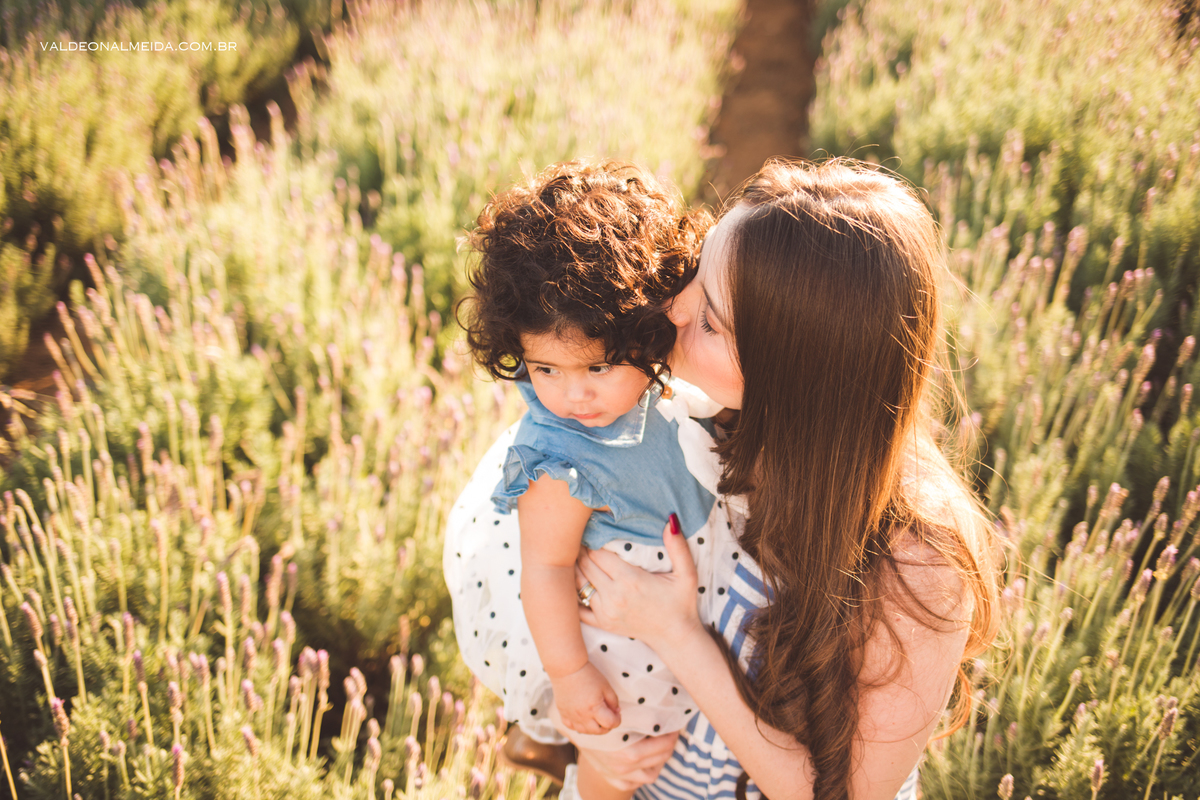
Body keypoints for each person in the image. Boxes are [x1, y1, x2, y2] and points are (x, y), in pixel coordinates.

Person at [571, 158, 1002, 800]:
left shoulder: (919, 562)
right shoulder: (692, 422)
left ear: (796, 378)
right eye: (696, 274)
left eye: (713, 322)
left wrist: (675, 633)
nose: (674, 308)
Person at [443, 160, 730, 800]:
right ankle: (580, 771)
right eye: (544, 369)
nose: (572, 394)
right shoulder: (559, 456)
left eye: (597, 367)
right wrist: (571, 677)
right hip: (615, 651)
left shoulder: (661, 390)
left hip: (673, 604)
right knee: (622, 757)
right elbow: (544, 569)